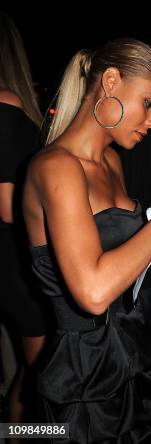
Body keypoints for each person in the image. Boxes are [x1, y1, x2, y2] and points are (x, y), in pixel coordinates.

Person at [22, 38, 151, 442]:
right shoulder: (56, 167)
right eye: (149, 103)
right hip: (85, 374)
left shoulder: (110, 161)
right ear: (110, 81)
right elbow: (92, 292)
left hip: (136, 349)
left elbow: (126, 253)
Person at [0, 10, 46, 426]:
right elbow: (8, 204)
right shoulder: (7, 104)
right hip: (12, 263)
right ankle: (28, 436)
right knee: (42, 378)